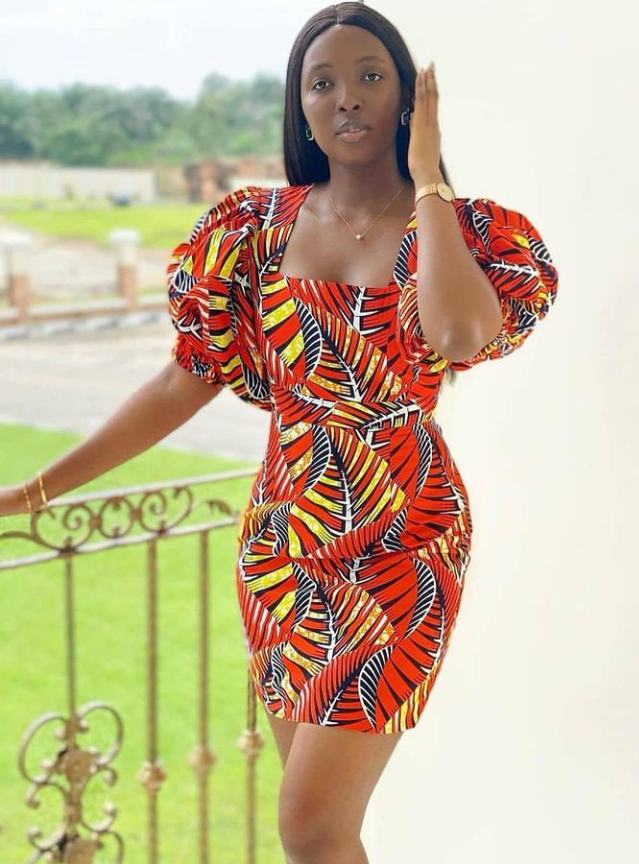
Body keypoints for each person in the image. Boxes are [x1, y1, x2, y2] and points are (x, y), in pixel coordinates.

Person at [0, 4, 559, 863]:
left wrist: (428, 181)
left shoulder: (467, 230)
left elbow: (457, 336)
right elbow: (180, 381)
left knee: (309, 826)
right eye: (320, 82)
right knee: (321, 837)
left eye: (369, 76)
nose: (345, 98)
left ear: (408, 99)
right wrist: (36, 489)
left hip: (400, 543)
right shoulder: (254, 231)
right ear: (299, 107)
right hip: (284, 546)